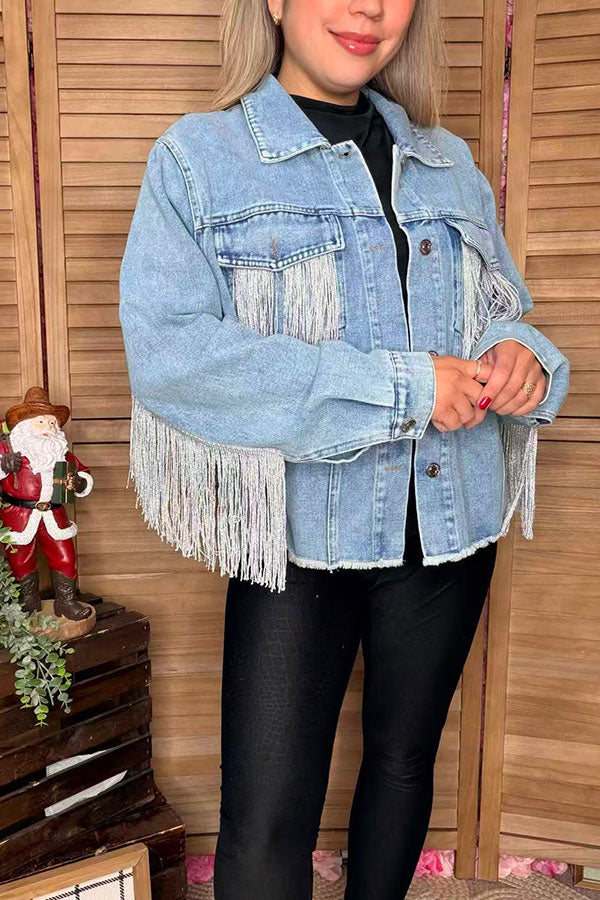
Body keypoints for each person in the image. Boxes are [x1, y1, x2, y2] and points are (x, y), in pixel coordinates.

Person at [118, 0, 571, 896]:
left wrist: (521, 354)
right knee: (265, 815)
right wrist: (405, 388)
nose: (369, 8)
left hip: (449, 517)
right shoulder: (200, 158)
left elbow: (498, 309)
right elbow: (174, 359)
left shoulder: (446, 161)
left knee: (404, 762)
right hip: (299, 535)